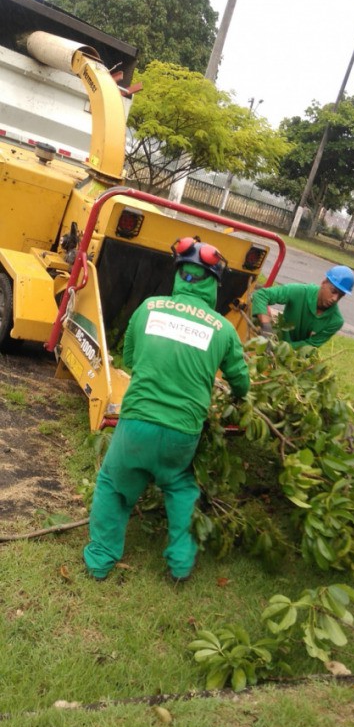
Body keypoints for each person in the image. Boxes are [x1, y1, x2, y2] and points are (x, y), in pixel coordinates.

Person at [83, 237, 250, 582]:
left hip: (136, 426)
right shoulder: (223, 328)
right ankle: (180, 563)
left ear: (178, 275)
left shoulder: (148, 309)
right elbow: (241, 382)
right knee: (180, 487)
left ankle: (100, 560)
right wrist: (236, 395)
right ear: (214, 284)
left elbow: (129, 358)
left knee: (114, 486)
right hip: (182, 434)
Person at [251, 264, 354, 348]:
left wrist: (280, 349)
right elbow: (261, 295)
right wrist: (266, 326)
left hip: (294, 357)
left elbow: (310, 345)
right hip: (276, 338)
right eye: (333, 291)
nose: (335, 299)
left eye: (340, 295)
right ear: (324, 283)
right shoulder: (299, 291)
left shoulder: (335, 321)